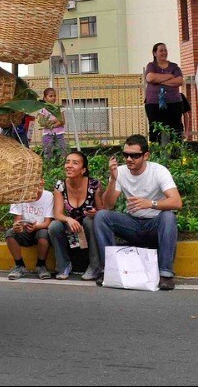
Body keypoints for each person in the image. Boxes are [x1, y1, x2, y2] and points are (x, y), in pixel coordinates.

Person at [94, 134, 183, 290]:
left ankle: (165, 275)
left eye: (134, 155)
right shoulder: (120, 172)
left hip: (155, 224)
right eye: (126, 155)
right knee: (102, 216)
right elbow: (108, 205)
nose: (129, 159)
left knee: (168, 216)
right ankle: (108, 270)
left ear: (146, 155)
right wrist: (113, 179)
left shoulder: (158, 171)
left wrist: (150, 203)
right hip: (133, 224)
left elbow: (176, 202)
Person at [48, 151, 104, 280]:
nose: (69, 165)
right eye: (67, 162)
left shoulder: (94, 185)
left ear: (83, 170)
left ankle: (95, 267)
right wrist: (69, 219)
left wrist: (95, 213)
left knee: (89, 221)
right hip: (72, 229)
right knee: (54, 226)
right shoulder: (60, 185)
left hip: (89, 228)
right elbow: (57, 214)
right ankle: (63, 266)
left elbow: (102, 211)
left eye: (75, 163)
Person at [5, 183, 54, 280]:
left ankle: (41, 265)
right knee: (10, 234)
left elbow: (47, 222)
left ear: (42, 183)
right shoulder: (19, 194)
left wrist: (36, 227)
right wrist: (17, 226)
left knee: (44, 234)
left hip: (40, 228)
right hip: (24, 229)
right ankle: (20, 266)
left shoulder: (48, 196)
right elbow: (17, 220)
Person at [144, 43, 184, 142]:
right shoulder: (151, 65)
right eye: (161, 50)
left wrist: (159, 81)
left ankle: (176, 156)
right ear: (154, 53)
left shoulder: (174, 66)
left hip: (173, 103)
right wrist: (170, 76)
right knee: (155, 129)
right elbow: (150, 77)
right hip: (153, 103)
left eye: (165, 50)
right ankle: (156, 155)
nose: (164, 52)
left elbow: (179, 81)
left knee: (175, 129)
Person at [38, 87, 68, 159]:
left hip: (59, 134)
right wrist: (56, 120)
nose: (53, 98)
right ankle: (48, 167)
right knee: (48, 152)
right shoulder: (42, 109)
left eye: (54, 96)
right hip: (47, 135)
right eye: (50, 96)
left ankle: (62, 166)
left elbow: (62, 121)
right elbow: (42, 123)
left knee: (63, 151)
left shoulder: (59, 108)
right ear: (45, 98)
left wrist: (52, 123)